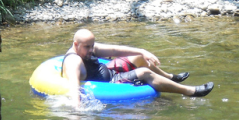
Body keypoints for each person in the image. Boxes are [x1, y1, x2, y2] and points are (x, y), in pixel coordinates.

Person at [61, 29, 214, 103]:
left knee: (139, 58)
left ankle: (170, 77)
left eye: (92, 46)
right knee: (144, 72)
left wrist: (142, 51)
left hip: (106, 71)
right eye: (87, 47)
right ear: (76, 45)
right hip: (109, 83)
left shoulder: (88, 47)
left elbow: (114, 50)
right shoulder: (74, 61)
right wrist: (77, 118)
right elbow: (75, 88)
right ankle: (190, 92)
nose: (91, 50)